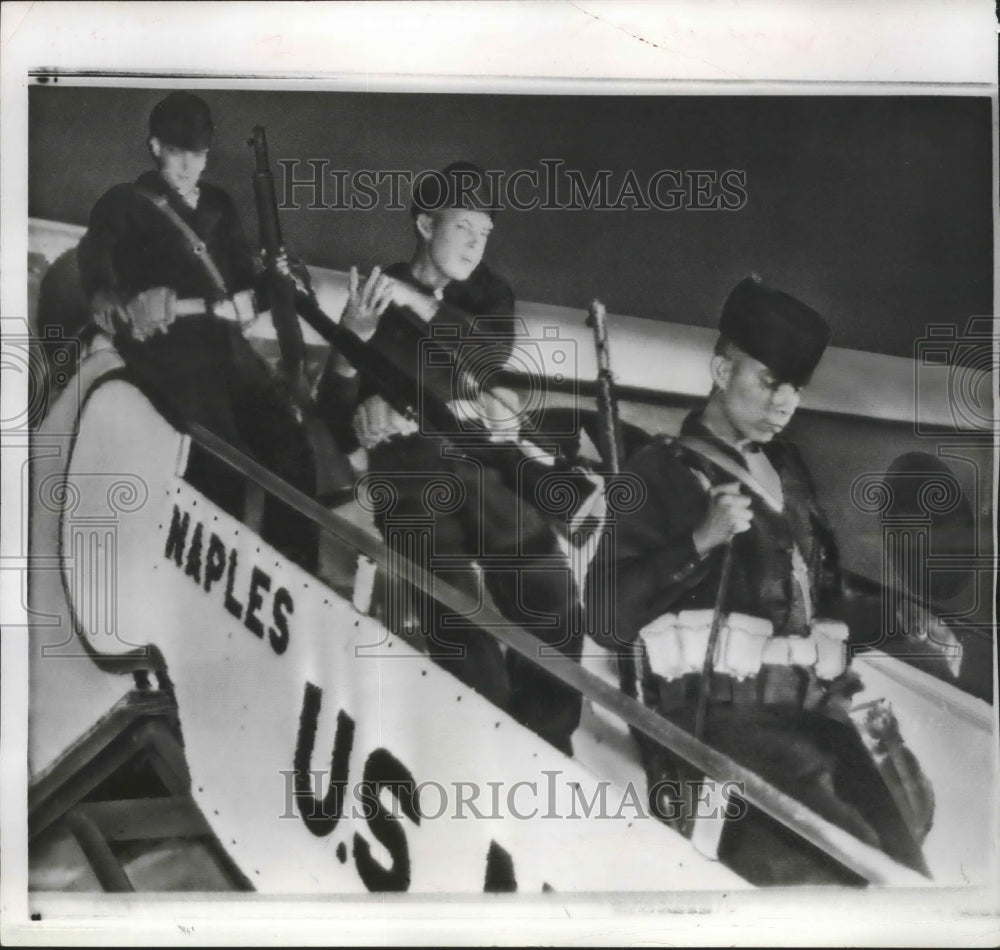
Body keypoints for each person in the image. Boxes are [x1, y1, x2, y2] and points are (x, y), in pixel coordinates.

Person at [595, 276, 932, 884]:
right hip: (729, 725)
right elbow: (605, 613)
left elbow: (819, 592)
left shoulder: (786, 474)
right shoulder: (659, 471)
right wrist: (700, 539)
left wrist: (902, 615)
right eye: (769, 381)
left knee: (908, 856)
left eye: (795, 389)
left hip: (821, 715)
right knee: (854, 869)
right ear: (721, 371)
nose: (783, 403)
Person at [315, 163, 599, 755]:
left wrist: (412, 320)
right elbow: (332, 412)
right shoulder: (375, 292)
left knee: (549, 591)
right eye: (464, 227)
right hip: (410, 478)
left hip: (486, 470)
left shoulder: (489, 295)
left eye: (485, 233)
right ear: (425, 223)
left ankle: (546, 749)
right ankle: (483, 745)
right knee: (453, 609)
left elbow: (485, 362)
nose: (476, 243)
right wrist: (353, 347)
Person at [76, 91, 319, 570]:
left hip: (228, 347)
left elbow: (240, 275)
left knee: (291, 450)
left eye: (199, 153)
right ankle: (205, 579)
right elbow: (96, 253)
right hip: (170, 351)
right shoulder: (125, 202)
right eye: (178, 152)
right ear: (155, 147)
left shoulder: (220, 206)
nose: (190, 165)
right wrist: (104, 293)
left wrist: (280, 279)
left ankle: (291, 570)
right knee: (217, 460)